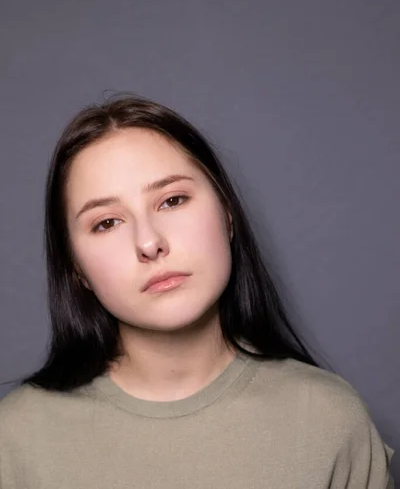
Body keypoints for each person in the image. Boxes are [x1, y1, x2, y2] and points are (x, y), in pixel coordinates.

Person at [0, 95, 395, 488]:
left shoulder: (329, 420)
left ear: (226, 215)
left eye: (172, 200)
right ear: (76, 268)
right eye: (107, 223)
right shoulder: (15, 439)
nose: (149, 242)